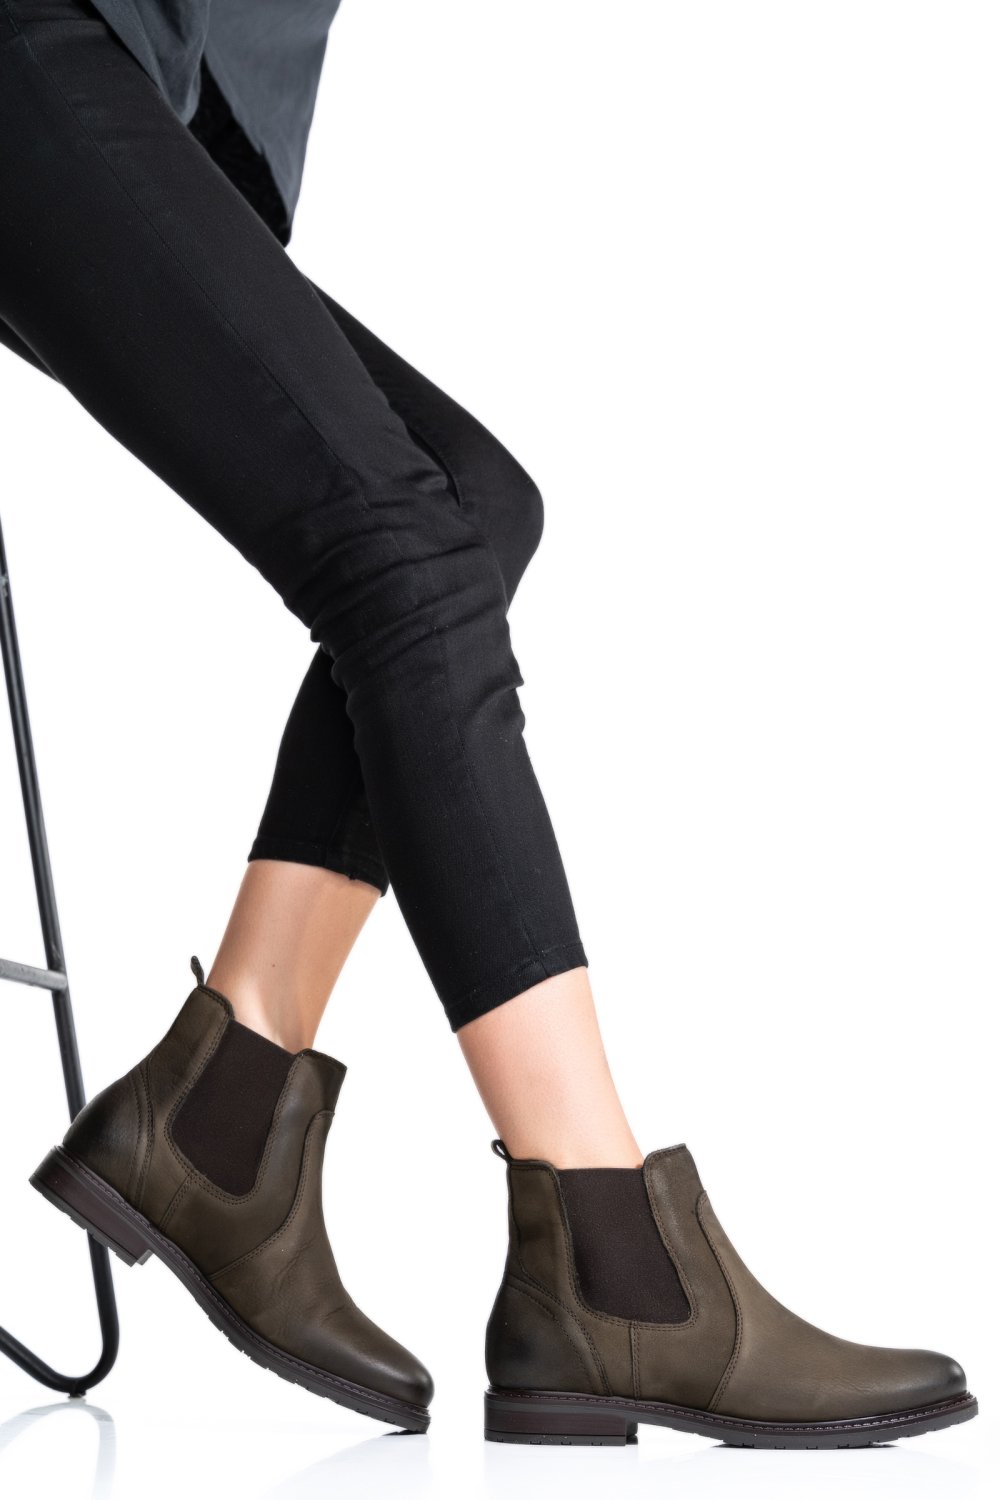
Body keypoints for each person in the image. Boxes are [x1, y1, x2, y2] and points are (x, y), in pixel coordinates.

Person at [2, 0, 975, 1448]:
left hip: (131, 77)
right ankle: (610, 1253)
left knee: (471, 508)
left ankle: (224, 1112)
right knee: (408, 558)